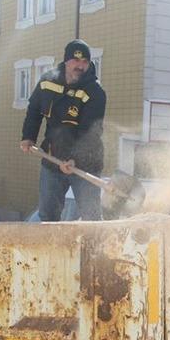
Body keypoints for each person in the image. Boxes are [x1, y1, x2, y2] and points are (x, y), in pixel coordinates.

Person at [20, 39, 107, 221]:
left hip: (85, 163)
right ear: (66, 61)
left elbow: (90, 132)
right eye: (76, 60)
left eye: (85, 61)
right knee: (47, 215)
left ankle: (94, 240)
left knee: (91, 218)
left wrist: (75, 159)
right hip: (53, 158)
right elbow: (34, 110)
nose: (80, 66)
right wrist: (28, 136)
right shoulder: (47, 82)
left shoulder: (95, 91)